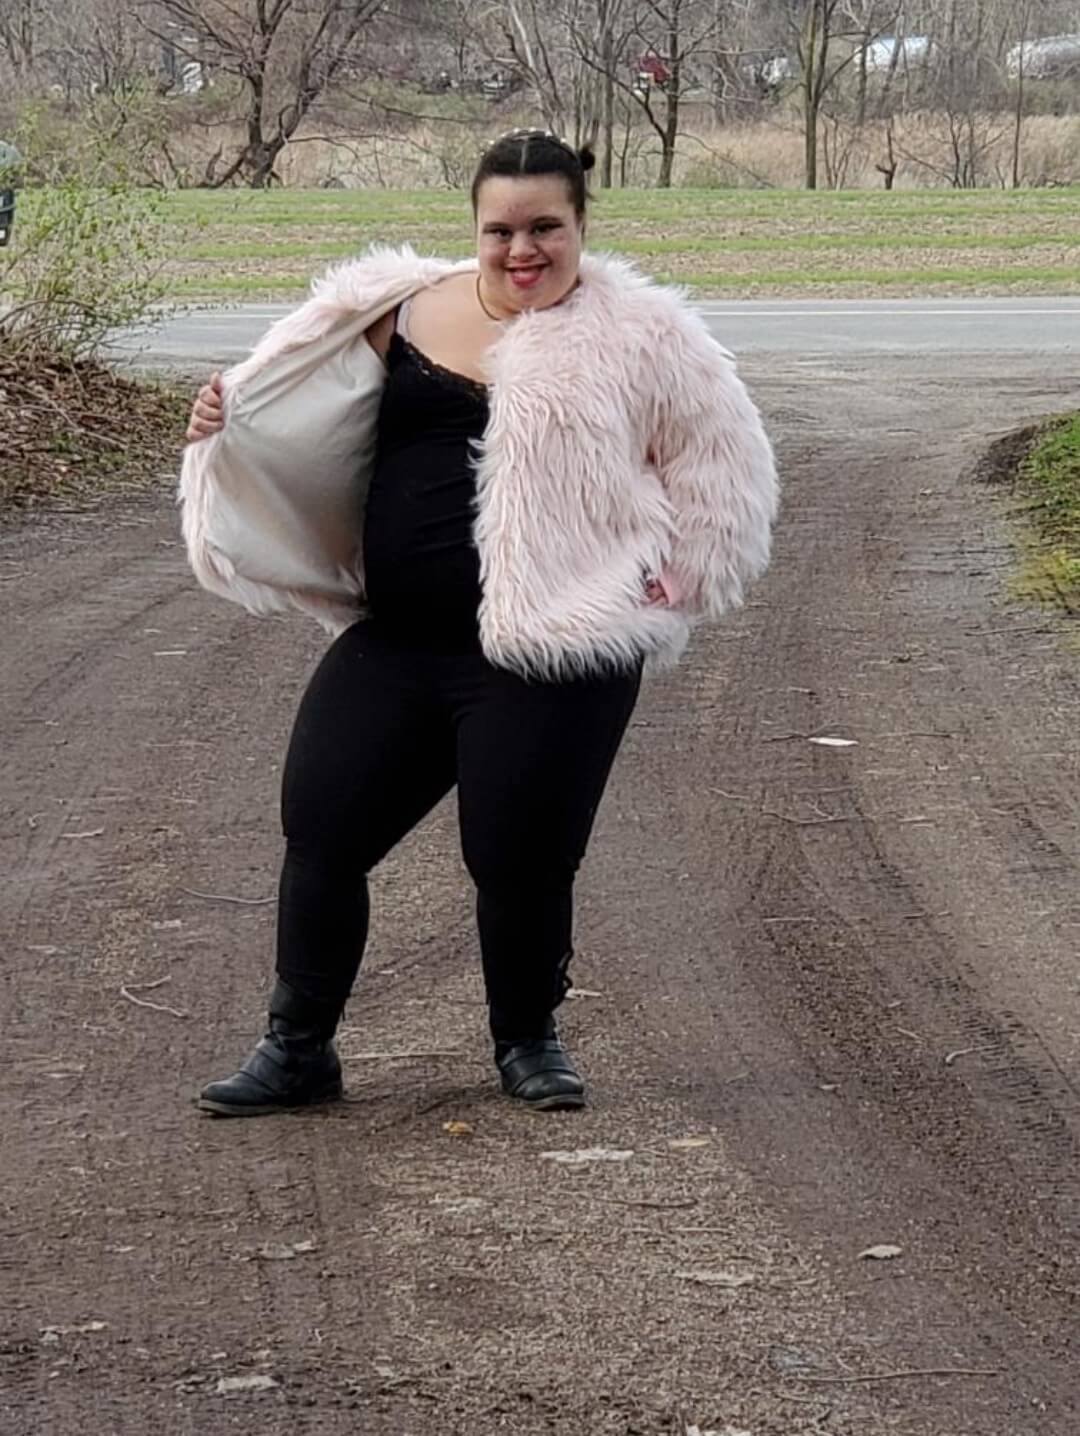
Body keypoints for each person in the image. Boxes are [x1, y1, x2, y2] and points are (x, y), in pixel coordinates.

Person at [182, 128, 778, 1118]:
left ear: (581, 225)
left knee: (518, 860)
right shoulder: (399, 306)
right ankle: (297, 1049)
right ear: (474, 227)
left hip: (554, 652)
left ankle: (528, 1041)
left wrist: (671, 587)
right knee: (322, 827)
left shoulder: (647, 337)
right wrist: (227, 416)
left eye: (546, 227)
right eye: (501, 229)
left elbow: (727, 473)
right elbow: (301, 406)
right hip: (398, 641)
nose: (522, 249)